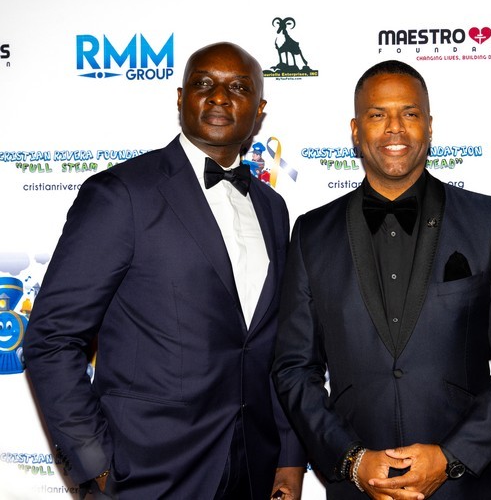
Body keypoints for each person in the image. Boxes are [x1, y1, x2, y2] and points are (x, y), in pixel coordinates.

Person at [25, 42, 305, 499]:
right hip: (148, 475)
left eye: (238, 87)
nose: (219, 96)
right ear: (181, 98)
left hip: (253, 470)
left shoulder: (273, 208)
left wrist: (289, 456)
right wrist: (96, 464)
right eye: (203, 83)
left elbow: (273, 345)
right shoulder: (122, 194)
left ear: (259, 110)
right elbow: (52, 337)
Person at [272, 60, 491, 500]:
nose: (395, 127)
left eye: (410, 113)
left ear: (430, 126)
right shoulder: (312, 233)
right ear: (355, 130)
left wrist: (452, 456)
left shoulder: (488, 220)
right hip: (358, 488)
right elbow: (293, 368)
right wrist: (351, 460)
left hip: (465, 487)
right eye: (377, 114)